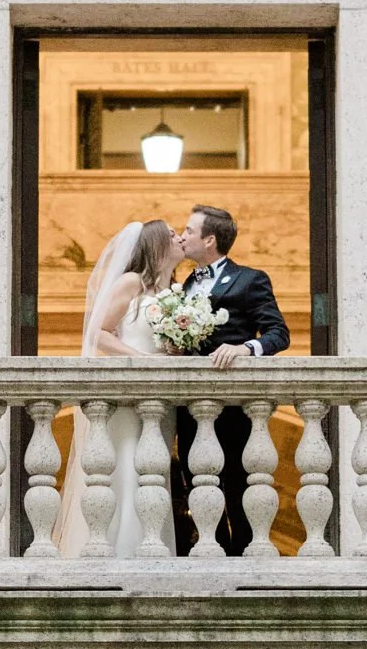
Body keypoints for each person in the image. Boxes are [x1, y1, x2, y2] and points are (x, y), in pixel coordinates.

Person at [52, 217, 183, 557]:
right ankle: (121, 549)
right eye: (172, 234)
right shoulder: (131, 282)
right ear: (156, 243)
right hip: (130, 394)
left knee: (155, 471)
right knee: (128, 466)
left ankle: (153, 546)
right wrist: (142, 360)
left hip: (161, 397)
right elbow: (99, 333)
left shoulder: (174, 292)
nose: (180, 238)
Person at [173, 202, 289, 556]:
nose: (182, 236)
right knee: (196, 484)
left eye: (189, 230)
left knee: (238, 484)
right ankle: (215, 555)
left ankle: (245, 559)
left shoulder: (250, 279)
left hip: (233, 407)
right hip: (190, 405)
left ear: (210, 240)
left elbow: (278, 334)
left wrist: (245, 349)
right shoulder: (185, 284)